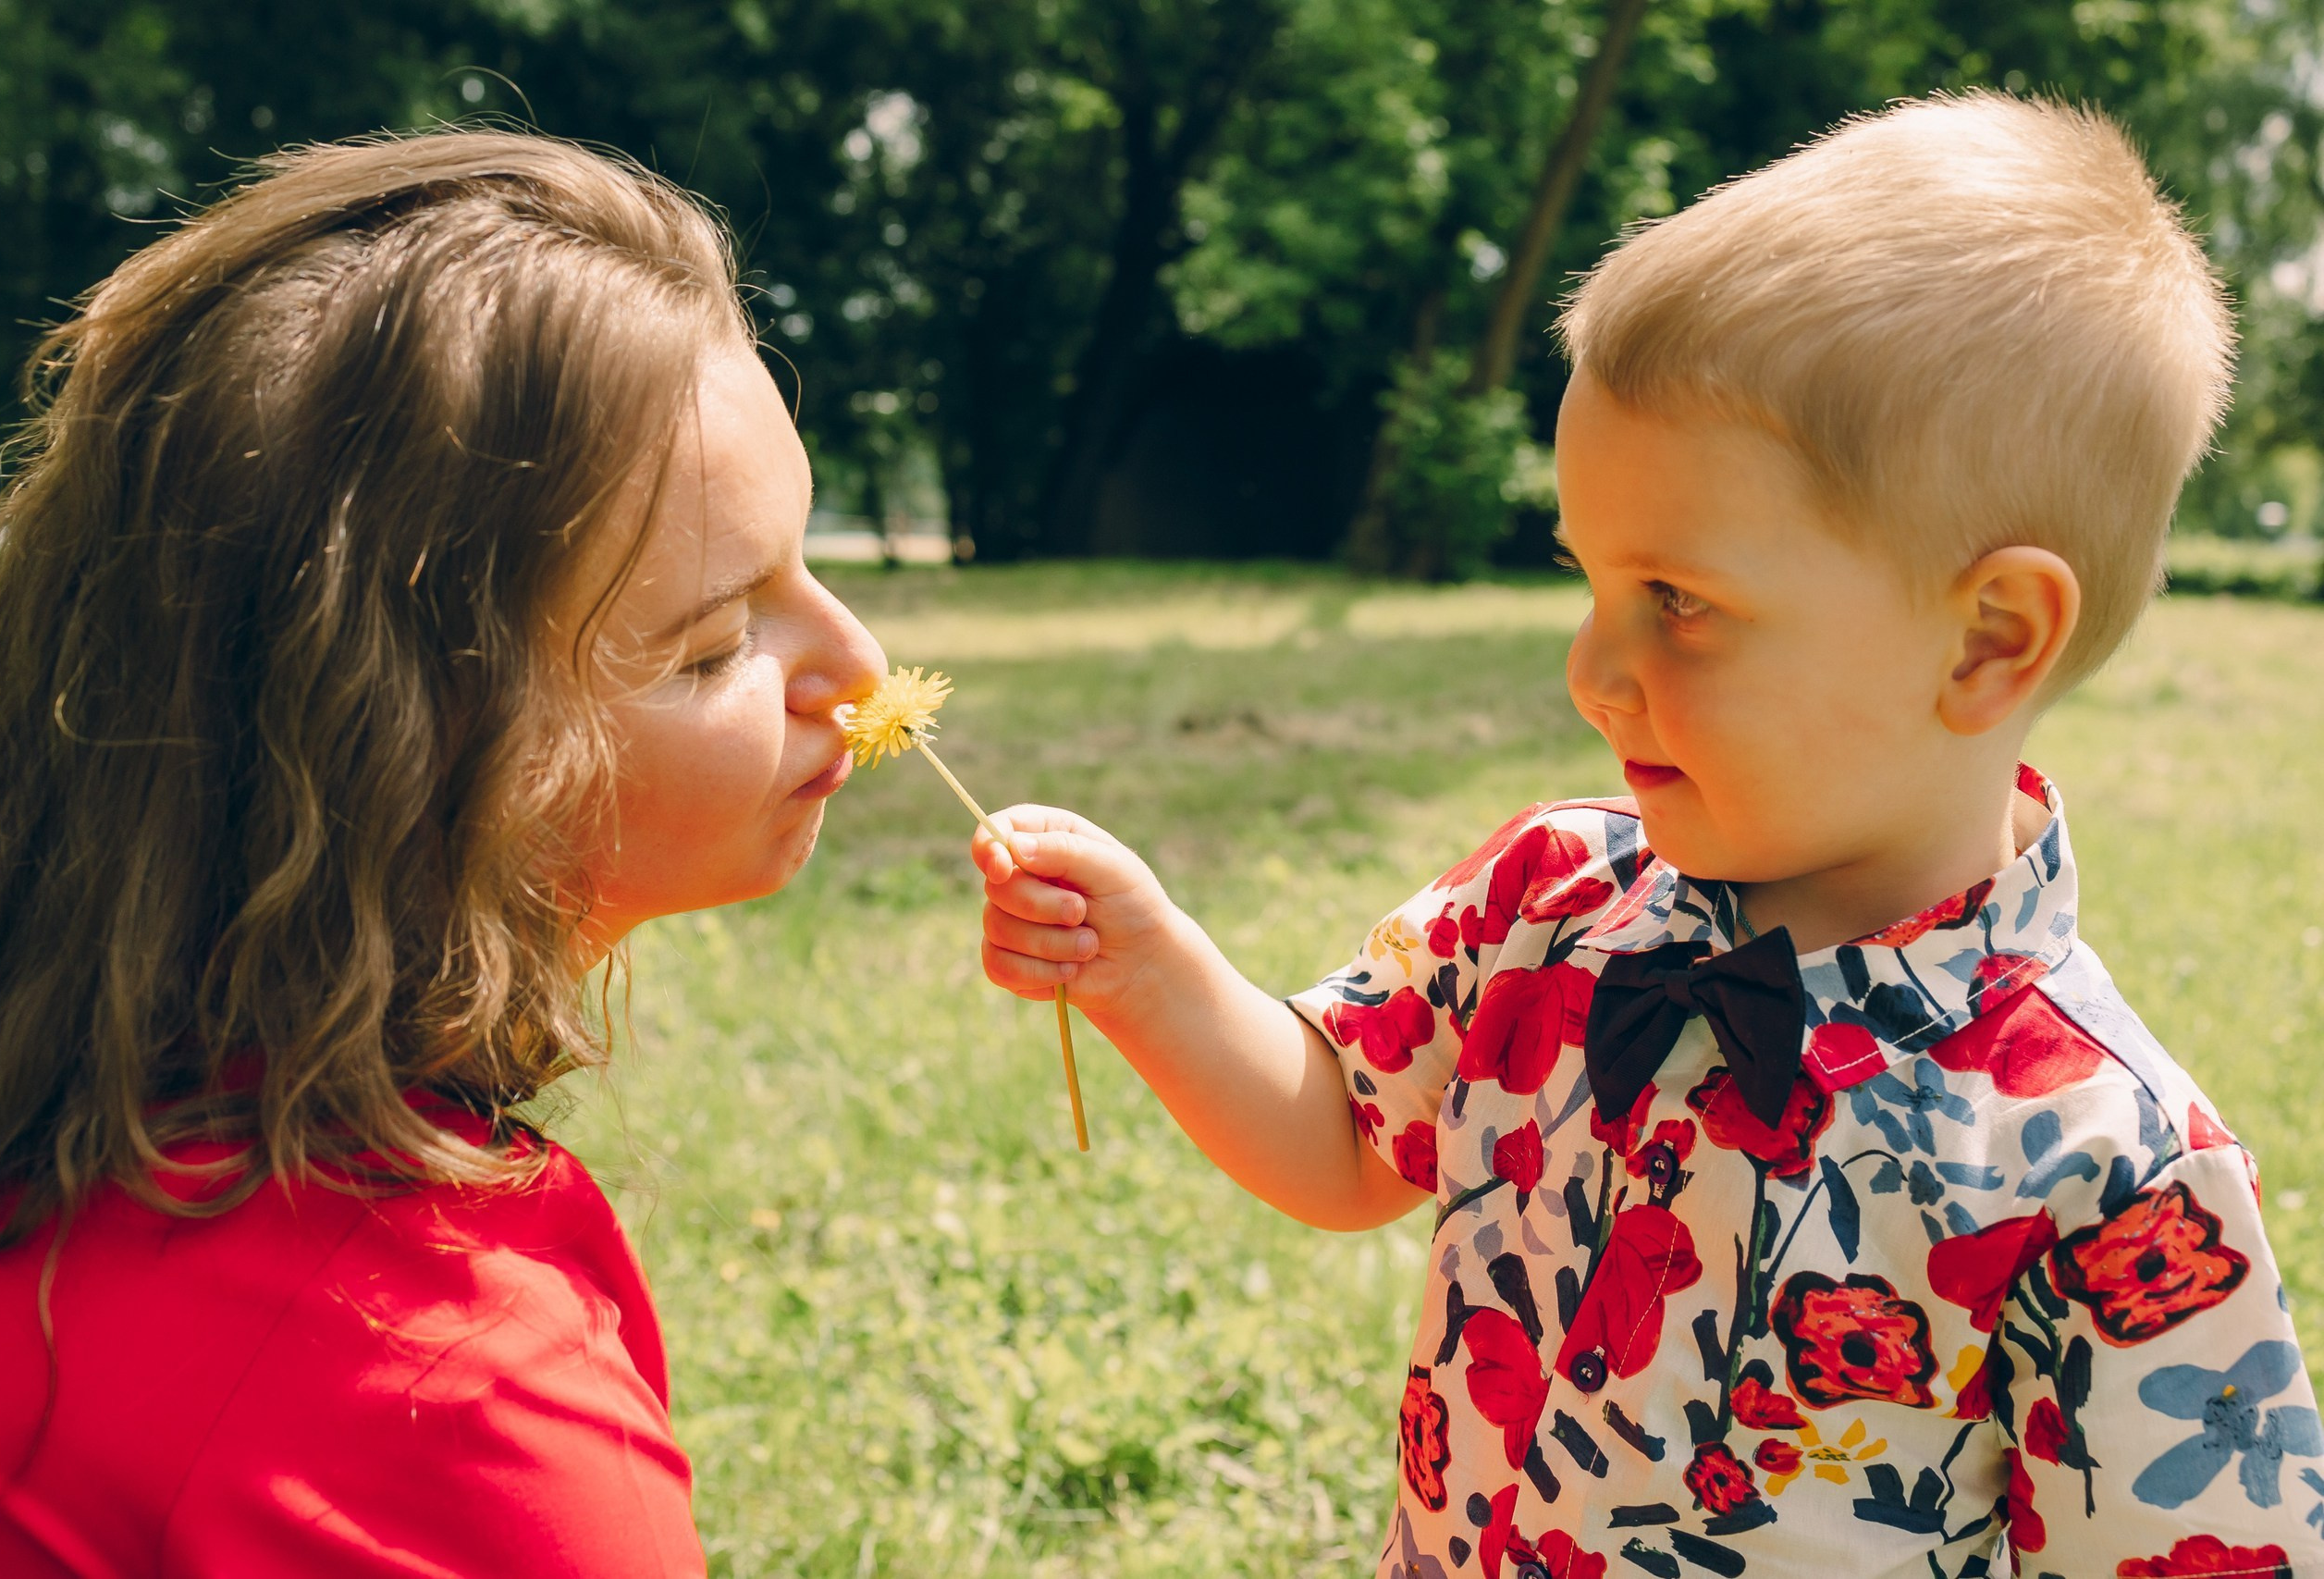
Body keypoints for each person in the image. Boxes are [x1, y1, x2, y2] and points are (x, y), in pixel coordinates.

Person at [968, 93, 2322, 1576]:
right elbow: (1349, 1139)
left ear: (1990, 638)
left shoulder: (2113, 1172)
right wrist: (1155, 970)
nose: (1592, 671)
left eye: (1677, 602)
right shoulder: (1545, 900)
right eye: (1590, 583)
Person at [0, 130, 884, 1574]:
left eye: (808, 566)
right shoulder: (442, 1401)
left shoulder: (66, 1092)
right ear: (409, 753)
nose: (858, 667)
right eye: (714, 645)